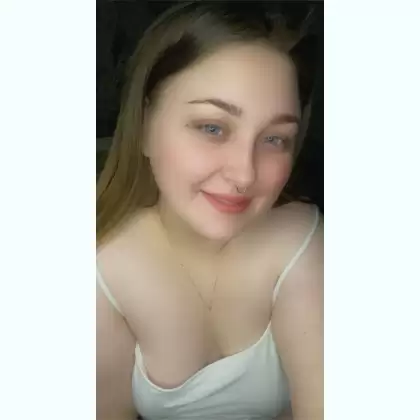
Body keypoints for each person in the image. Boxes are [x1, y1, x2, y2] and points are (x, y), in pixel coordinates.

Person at [96, 2, 323, 420]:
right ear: (144, 126)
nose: (244, 174)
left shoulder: (299, 241)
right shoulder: (104, 267)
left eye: (275, 139)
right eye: (212, 128)